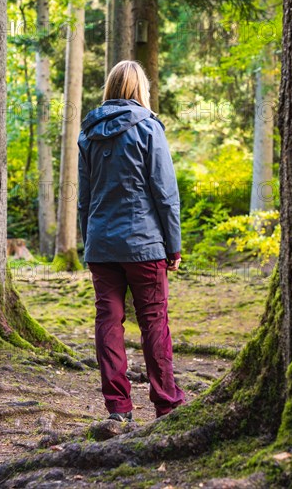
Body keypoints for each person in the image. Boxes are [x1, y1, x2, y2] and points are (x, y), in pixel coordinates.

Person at [77, 60, 186, 421]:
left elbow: (85, 197)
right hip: (144, 245)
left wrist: (89, 241)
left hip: (102, 245)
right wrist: (173, 246)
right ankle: (167, 403)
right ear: (140, 89)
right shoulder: (150, 128)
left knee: (108, 321)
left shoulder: (88, 132)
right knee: (154, 321)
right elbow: (165, 193)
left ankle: (118, 410)